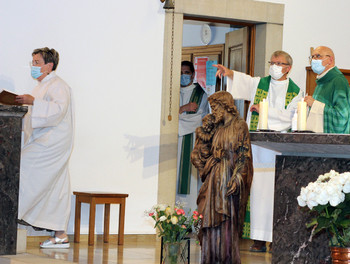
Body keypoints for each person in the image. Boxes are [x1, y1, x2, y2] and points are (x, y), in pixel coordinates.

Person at [214, 51, 302, 252]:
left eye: (279, 63)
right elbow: (243, 82)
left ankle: (276, 237)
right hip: (256, 146)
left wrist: (264, 112)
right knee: (256, 191)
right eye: (272, 62)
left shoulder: (296, 91)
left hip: (278, 150)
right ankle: (258, 238)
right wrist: (229, 73)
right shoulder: (260, 83)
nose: (274, 66)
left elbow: (289, 117)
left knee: (276, 193)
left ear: (288, 67)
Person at [15, 47, 74, 248]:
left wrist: (33, 103)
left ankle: (10, 214)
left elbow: (58, 111)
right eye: (32, 62)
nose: (33, 66)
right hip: (44, 139)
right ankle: (60, 234)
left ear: (49, 66)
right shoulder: (40, 86)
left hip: (52, 142)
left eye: (37, 62)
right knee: (57, 186)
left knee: (20, 169)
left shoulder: (58, 85)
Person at [191, 91, 253, 264]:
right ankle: (210, 257)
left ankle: (226, 258)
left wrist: (238, 177)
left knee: (227, 220)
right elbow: (201, 153)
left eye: (216, 107)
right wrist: (204, 131)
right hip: (213, 178)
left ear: (226, 106)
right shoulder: (216, 127)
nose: (214, 111)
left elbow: (244, 154)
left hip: (229, 178)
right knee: (208, 217)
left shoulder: (240, 125)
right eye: (212, 107)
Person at [176, 61, 209, 212]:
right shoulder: (172, 92)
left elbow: (198, 119)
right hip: (172, 144)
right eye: (181, 72)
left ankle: (190, 219)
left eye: (187, 73)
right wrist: (183, 108)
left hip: (190, 140)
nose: (184, 76)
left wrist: (177, 118)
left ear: (193, 74)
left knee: (189, 180)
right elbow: (164, 116)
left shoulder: (200, 94)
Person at [305, 46, 350, 133]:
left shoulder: (338, 81)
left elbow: (341, 118)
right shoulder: (321, 80)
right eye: (312, 57)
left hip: (333, 143)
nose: (314, 60)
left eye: (318, 56)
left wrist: (314, 104)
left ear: (330, 60)